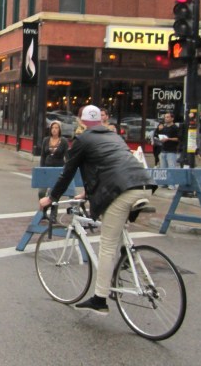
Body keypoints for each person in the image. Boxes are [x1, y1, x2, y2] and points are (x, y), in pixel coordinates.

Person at [39, 105, 154, 315]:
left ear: (81, 122)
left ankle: (100, 299)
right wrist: (87, 193)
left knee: (107, 245)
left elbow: (67, 173)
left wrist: (51, 197)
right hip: (141, 184)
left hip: (120, 190)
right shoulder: (114, 136)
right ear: (100, 120)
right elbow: (110, 166)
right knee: (118, 232)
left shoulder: (82, 140)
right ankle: (124, 260)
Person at [38, 120, 69, 201]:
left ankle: (53, 212)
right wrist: (41, 169)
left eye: (56, 128)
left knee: (53, 193)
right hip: (46, 169)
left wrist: (66, 169)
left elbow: (67, 157)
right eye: (52, 128)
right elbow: (43, 156)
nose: (54, 130)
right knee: (41, 192)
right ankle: (42, 209)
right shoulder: (46, 140)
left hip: (58, 170)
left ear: (59, 130)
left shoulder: (64, 141)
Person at [159, 112, 181, 189]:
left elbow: (178, 138)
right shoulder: (164, 128)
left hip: (171, 151)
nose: (166, 118)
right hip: (163, 149)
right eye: (165, 117)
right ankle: (164, 183)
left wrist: (168, 139)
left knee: (171, 168)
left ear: (172, 118)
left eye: (168, 117)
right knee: (163, 168)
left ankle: (171, 184)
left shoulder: (175, 128)